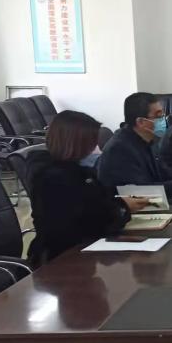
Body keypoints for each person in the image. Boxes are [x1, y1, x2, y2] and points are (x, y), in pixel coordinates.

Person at [27, 111, 152, 266]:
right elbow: (92, 221)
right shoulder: (54, 178)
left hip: (86, 250)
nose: (95, 147)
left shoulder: (77, 171)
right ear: (77, 143)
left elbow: (100, 196)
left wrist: (120, 201)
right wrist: (123, 208)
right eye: (92, 142)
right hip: (62, 259)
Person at [98, 92, 172, 200]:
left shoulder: (145, 140)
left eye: (163, 115)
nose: (163, 120)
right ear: (141, 122)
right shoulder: (120, 148)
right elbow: (141, 190)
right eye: (158, 116)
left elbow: (163, 172)